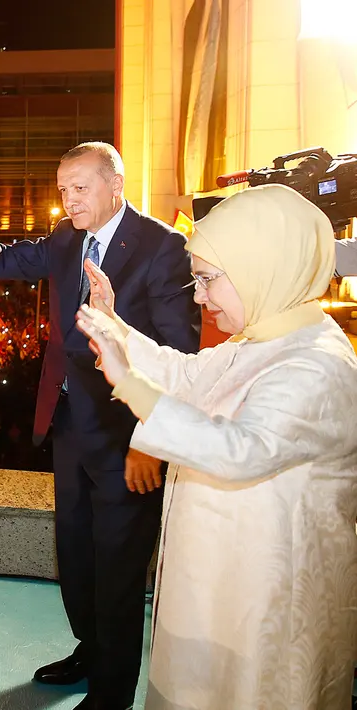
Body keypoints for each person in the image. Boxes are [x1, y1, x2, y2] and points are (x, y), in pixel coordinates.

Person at [0, 141, 200, 710]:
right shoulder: (66, 239)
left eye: (80, 187)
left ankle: (113, 691)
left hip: (128, 441)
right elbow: (5, 260)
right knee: (75, 555)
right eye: (63, 188)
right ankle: (90, 651)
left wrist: (152, 440)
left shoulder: (162, 248)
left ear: (114, 185)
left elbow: (180, 355)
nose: (68, 199)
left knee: (119, 569)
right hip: (70, 426)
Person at [76, 183, 357, 709]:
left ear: (262, 267)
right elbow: (184, 375)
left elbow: (242, 449)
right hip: (215, 582)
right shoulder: (263, 339)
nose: (199, 297)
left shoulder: (315, 363)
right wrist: (115, 329)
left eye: (207, 280)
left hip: (266, 602)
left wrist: (130, 384)